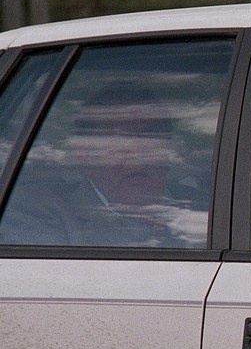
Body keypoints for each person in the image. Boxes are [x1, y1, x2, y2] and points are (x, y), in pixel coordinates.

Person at [0, 83, 199, 247]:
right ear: (85, 156)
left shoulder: (204, 206)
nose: (138, 153)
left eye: (151, 137)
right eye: (120, 140)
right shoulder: (38, 212)